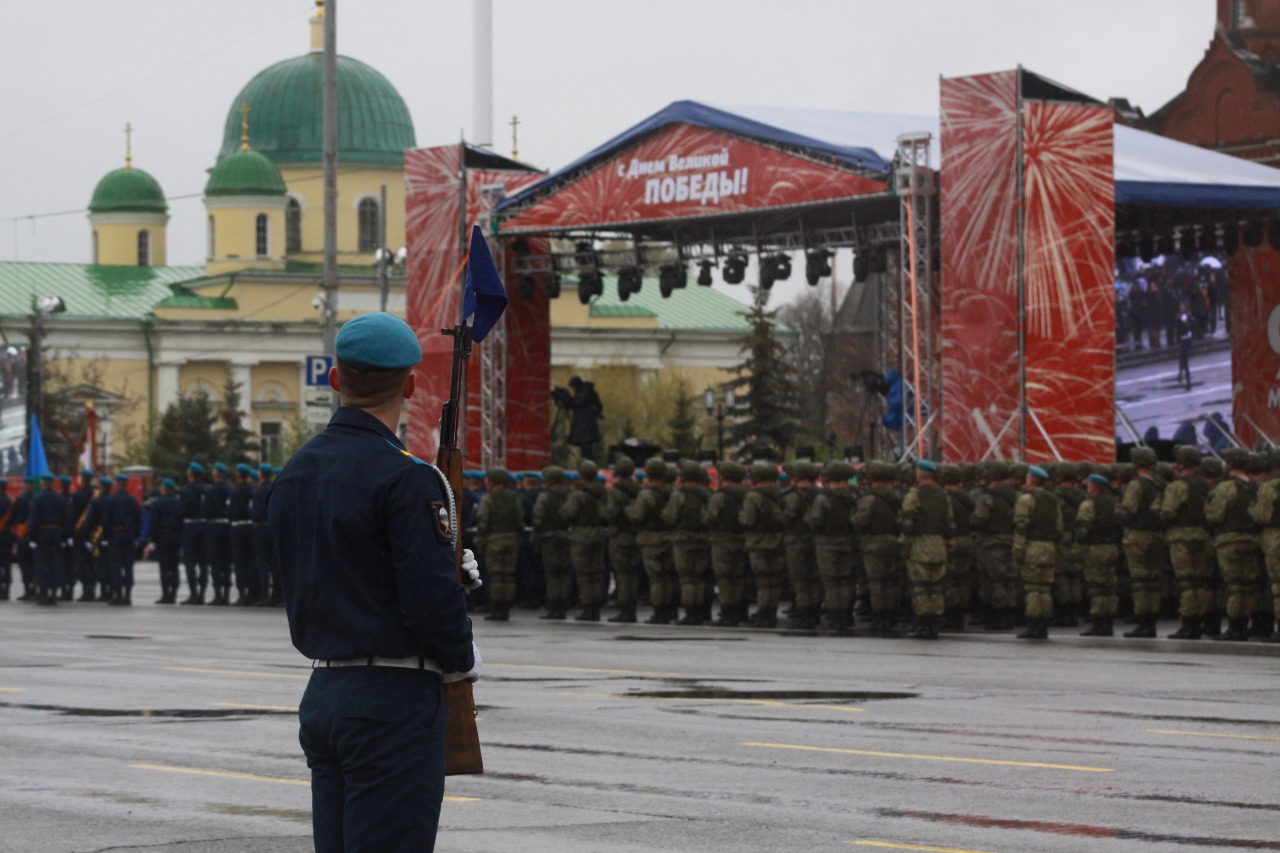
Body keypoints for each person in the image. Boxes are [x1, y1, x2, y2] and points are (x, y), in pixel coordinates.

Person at [267, 312, 479, 853]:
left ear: (335, 379)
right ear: (410, 385)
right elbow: (428, 603)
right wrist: (461, 652)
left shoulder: (294, 471)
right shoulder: (408, 476)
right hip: (394, 700)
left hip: (325, 691)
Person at [899, 460, 952, 640]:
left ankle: (922, 624)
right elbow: (950, 524)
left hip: (920, 545)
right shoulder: (944, 495)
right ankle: (934, 624)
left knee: (921, 587)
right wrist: (948, 544)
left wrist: (905, 545)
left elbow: (908, 523)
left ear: (920, 475)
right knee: (936, 587)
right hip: (939, 544)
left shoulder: (914, 495)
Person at [1012, 465, 1062, 640]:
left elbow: (1021, 528)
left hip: (1032, 547)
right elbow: (1058, 528)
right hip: (1049, 548)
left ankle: (1033, 624)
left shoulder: (1026, 499)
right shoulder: (1053, 500)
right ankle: (1043, 625)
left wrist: (1018, 551)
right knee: (1045, 588)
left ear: (1030, 480)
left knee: (1032, 588)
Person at [475, 468, 522, 622]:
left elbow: (483, 520)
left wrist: (480, 539)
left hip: (494, 540)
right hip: (511, 539)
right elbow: (520, 521)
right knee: (508, 575)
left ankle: (497, 608)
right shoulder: (515, 498)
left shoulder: (487, 499)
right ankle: (506, 608)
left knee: (496, 576)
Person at [178, 462, 208, 605]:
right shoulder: (207, 489)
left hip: (190, 526)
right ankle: (202, 593)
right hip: (204, 526)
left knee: (190, 562)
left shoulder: (187, 490)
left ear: (190, 473)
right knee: (203, 562)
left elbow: (181, 510)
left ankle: (193, 593)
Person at [554, 376, 603, 462]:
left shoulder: (585, 392)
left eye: (573, 387)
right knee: (584, 447)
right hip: (584, 425)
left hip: (585, 426)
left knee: (585, 447)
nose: (573, 390)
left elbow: (576, 403)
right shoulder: (585, 392)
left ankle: (588, 465)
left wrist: (565, 395)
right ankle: (587, 464)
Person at [150, 478, 183, 604]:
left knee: (164, 567)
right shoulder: (178, 503)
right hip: (175, 537)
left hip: (162, 537)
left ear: (164, 488)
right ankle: (173, 593)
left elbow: (154, 523)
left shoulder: (158, 503)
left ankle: (165, 594)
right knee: (174, 566)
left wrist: (153, 539)